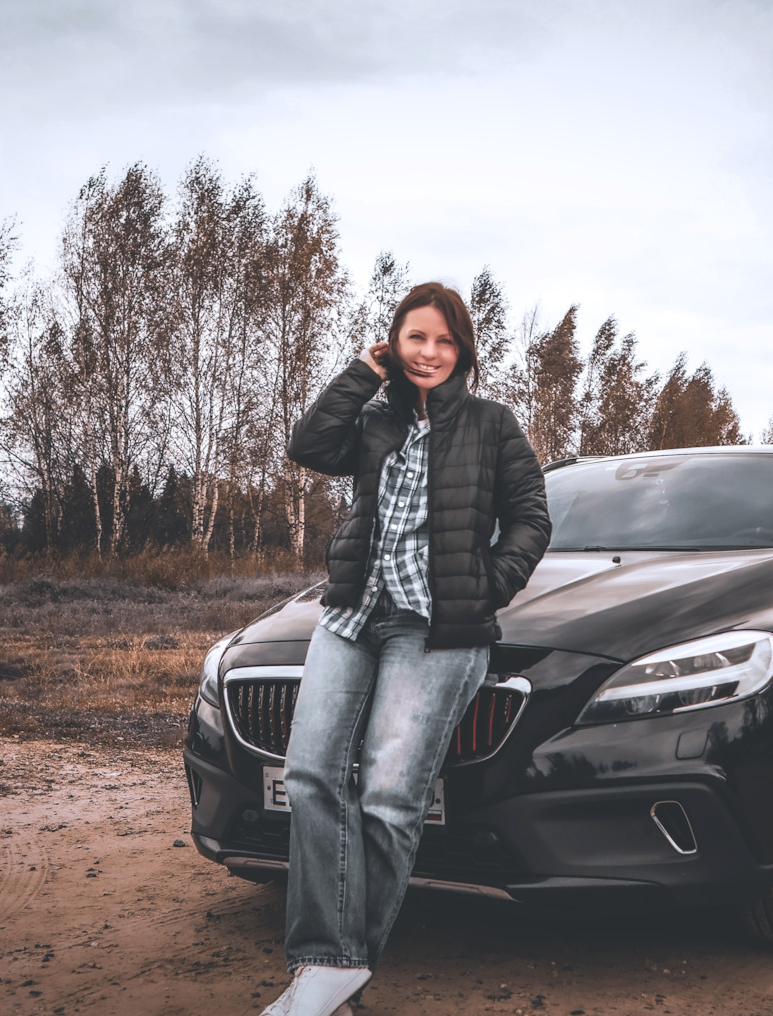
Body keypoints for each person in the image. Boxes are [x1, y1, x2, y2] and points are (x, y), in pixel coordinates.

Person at [258, 282, 550, 1016]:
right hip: (354, 616)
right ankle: (331, 964)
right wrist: (364, 373)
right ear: (394, 341)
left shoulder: (491, 423)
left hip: (437, 629)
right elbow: (308, 446)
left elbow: (530, 517)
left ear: (463, 351)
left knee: (388, 797)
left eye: (444, 341)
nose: (429, 352)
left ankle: (330, 972)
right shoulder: (374, 419)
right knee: (309, 776)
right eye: (415, 337)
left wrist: (487, 587)